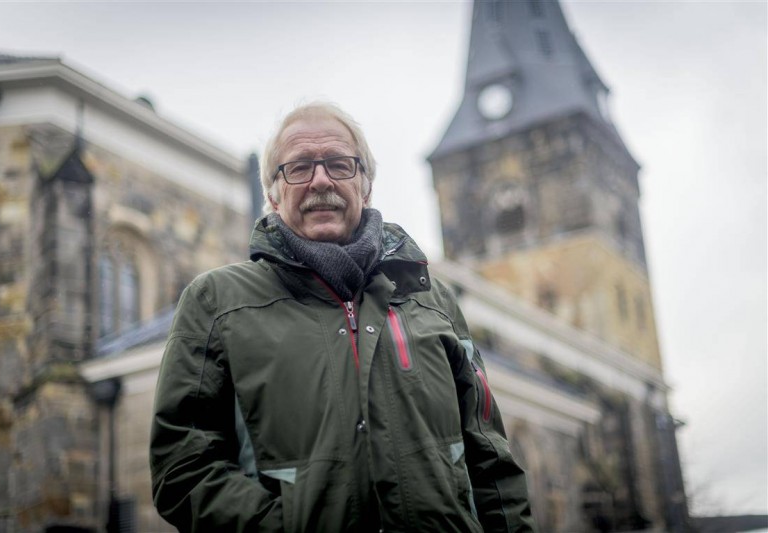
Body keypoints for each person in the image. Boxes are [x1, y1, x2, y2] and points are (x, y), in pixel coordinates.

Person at [150, 102, 534, 532]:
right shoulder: (217, 301)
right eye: (298, 168)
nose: (320, 180)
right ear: (273, 196)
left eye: (339, 164)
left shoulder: (432, 298)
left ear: (365, 186)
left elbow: (491, 462)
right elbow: (182, 470)